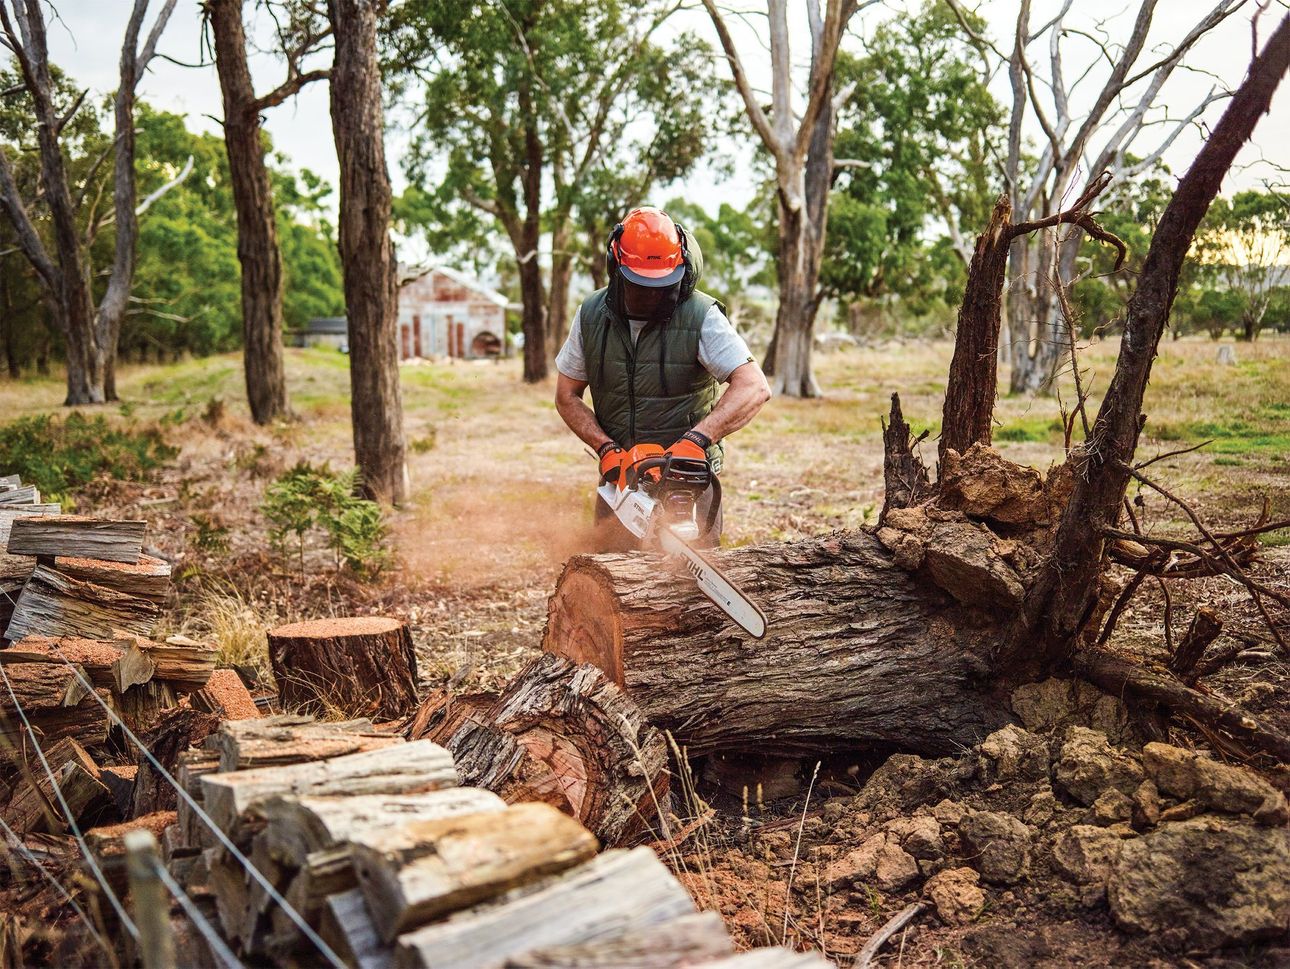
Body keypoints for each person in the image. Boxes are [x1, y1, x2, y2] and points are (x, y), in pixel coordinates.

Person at [554, 206, 771, 550]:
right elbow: (566, 395)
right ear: (616, 267)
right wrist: (606, 447)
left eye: (662, 285)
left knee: (688, 592)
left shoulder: (701, 315)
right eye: (641, 284)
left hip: (686, 483)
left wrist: (696, 441)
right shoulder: (591, 315)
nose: (653, 293)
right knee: (610, 586)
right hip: (621, 481)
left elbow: (754, 387)